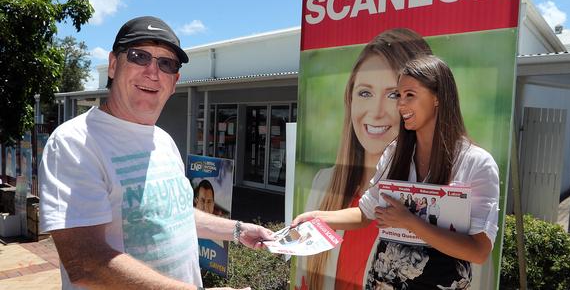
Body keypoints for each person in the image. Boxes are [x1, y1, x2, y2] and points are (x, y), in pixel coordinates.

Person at [39, 16, 274, 290]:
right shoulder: (74, 142)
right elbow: (85, 262)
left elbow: (174, 214)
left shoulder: (163, 141)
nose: (153, 72)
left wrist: (238, 230)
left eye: (166, 63)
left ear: (175, 81)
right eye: (139, 56)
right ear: (113, 65)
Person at [294, 55, 500, 289]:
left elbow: (479, 251)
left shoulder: (477, 163)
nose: (401, 105)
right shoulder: (394, 153)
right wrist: (318, 217)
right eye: (398, 95)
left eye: (410, 95)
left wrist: (410, 222)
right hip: (382, 282)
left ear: (438, 98)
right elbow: (365, 213)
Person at [299, 28, 432, 290]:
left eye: (394, 94)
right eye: (365, 93)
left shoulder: (431, 198)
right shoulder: (323, 185)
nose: (376, 111)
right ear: (350, 99)